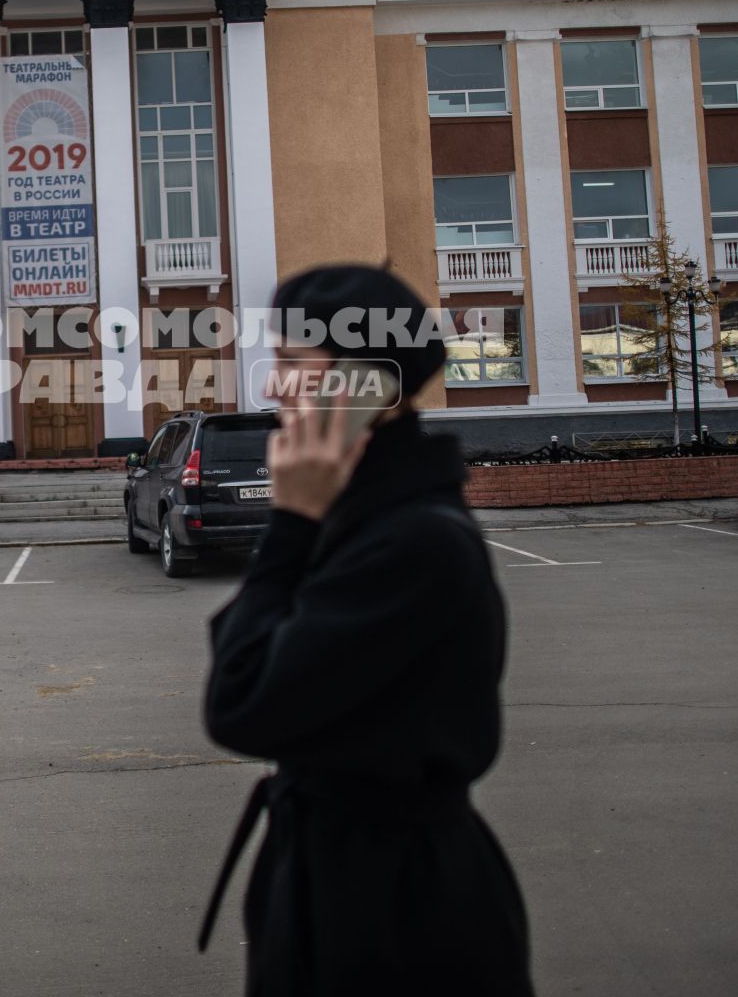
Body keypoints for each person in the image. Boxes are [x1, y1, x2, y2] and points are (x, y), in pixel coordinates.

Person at [199, 265, 534, 994]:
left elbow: (241, 702)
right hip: (348, 884)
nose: (269, 388)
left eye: (290, 364)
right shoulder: (370, 514)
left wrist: (289, 526)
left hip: (394, 922)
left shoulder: (411, 542)